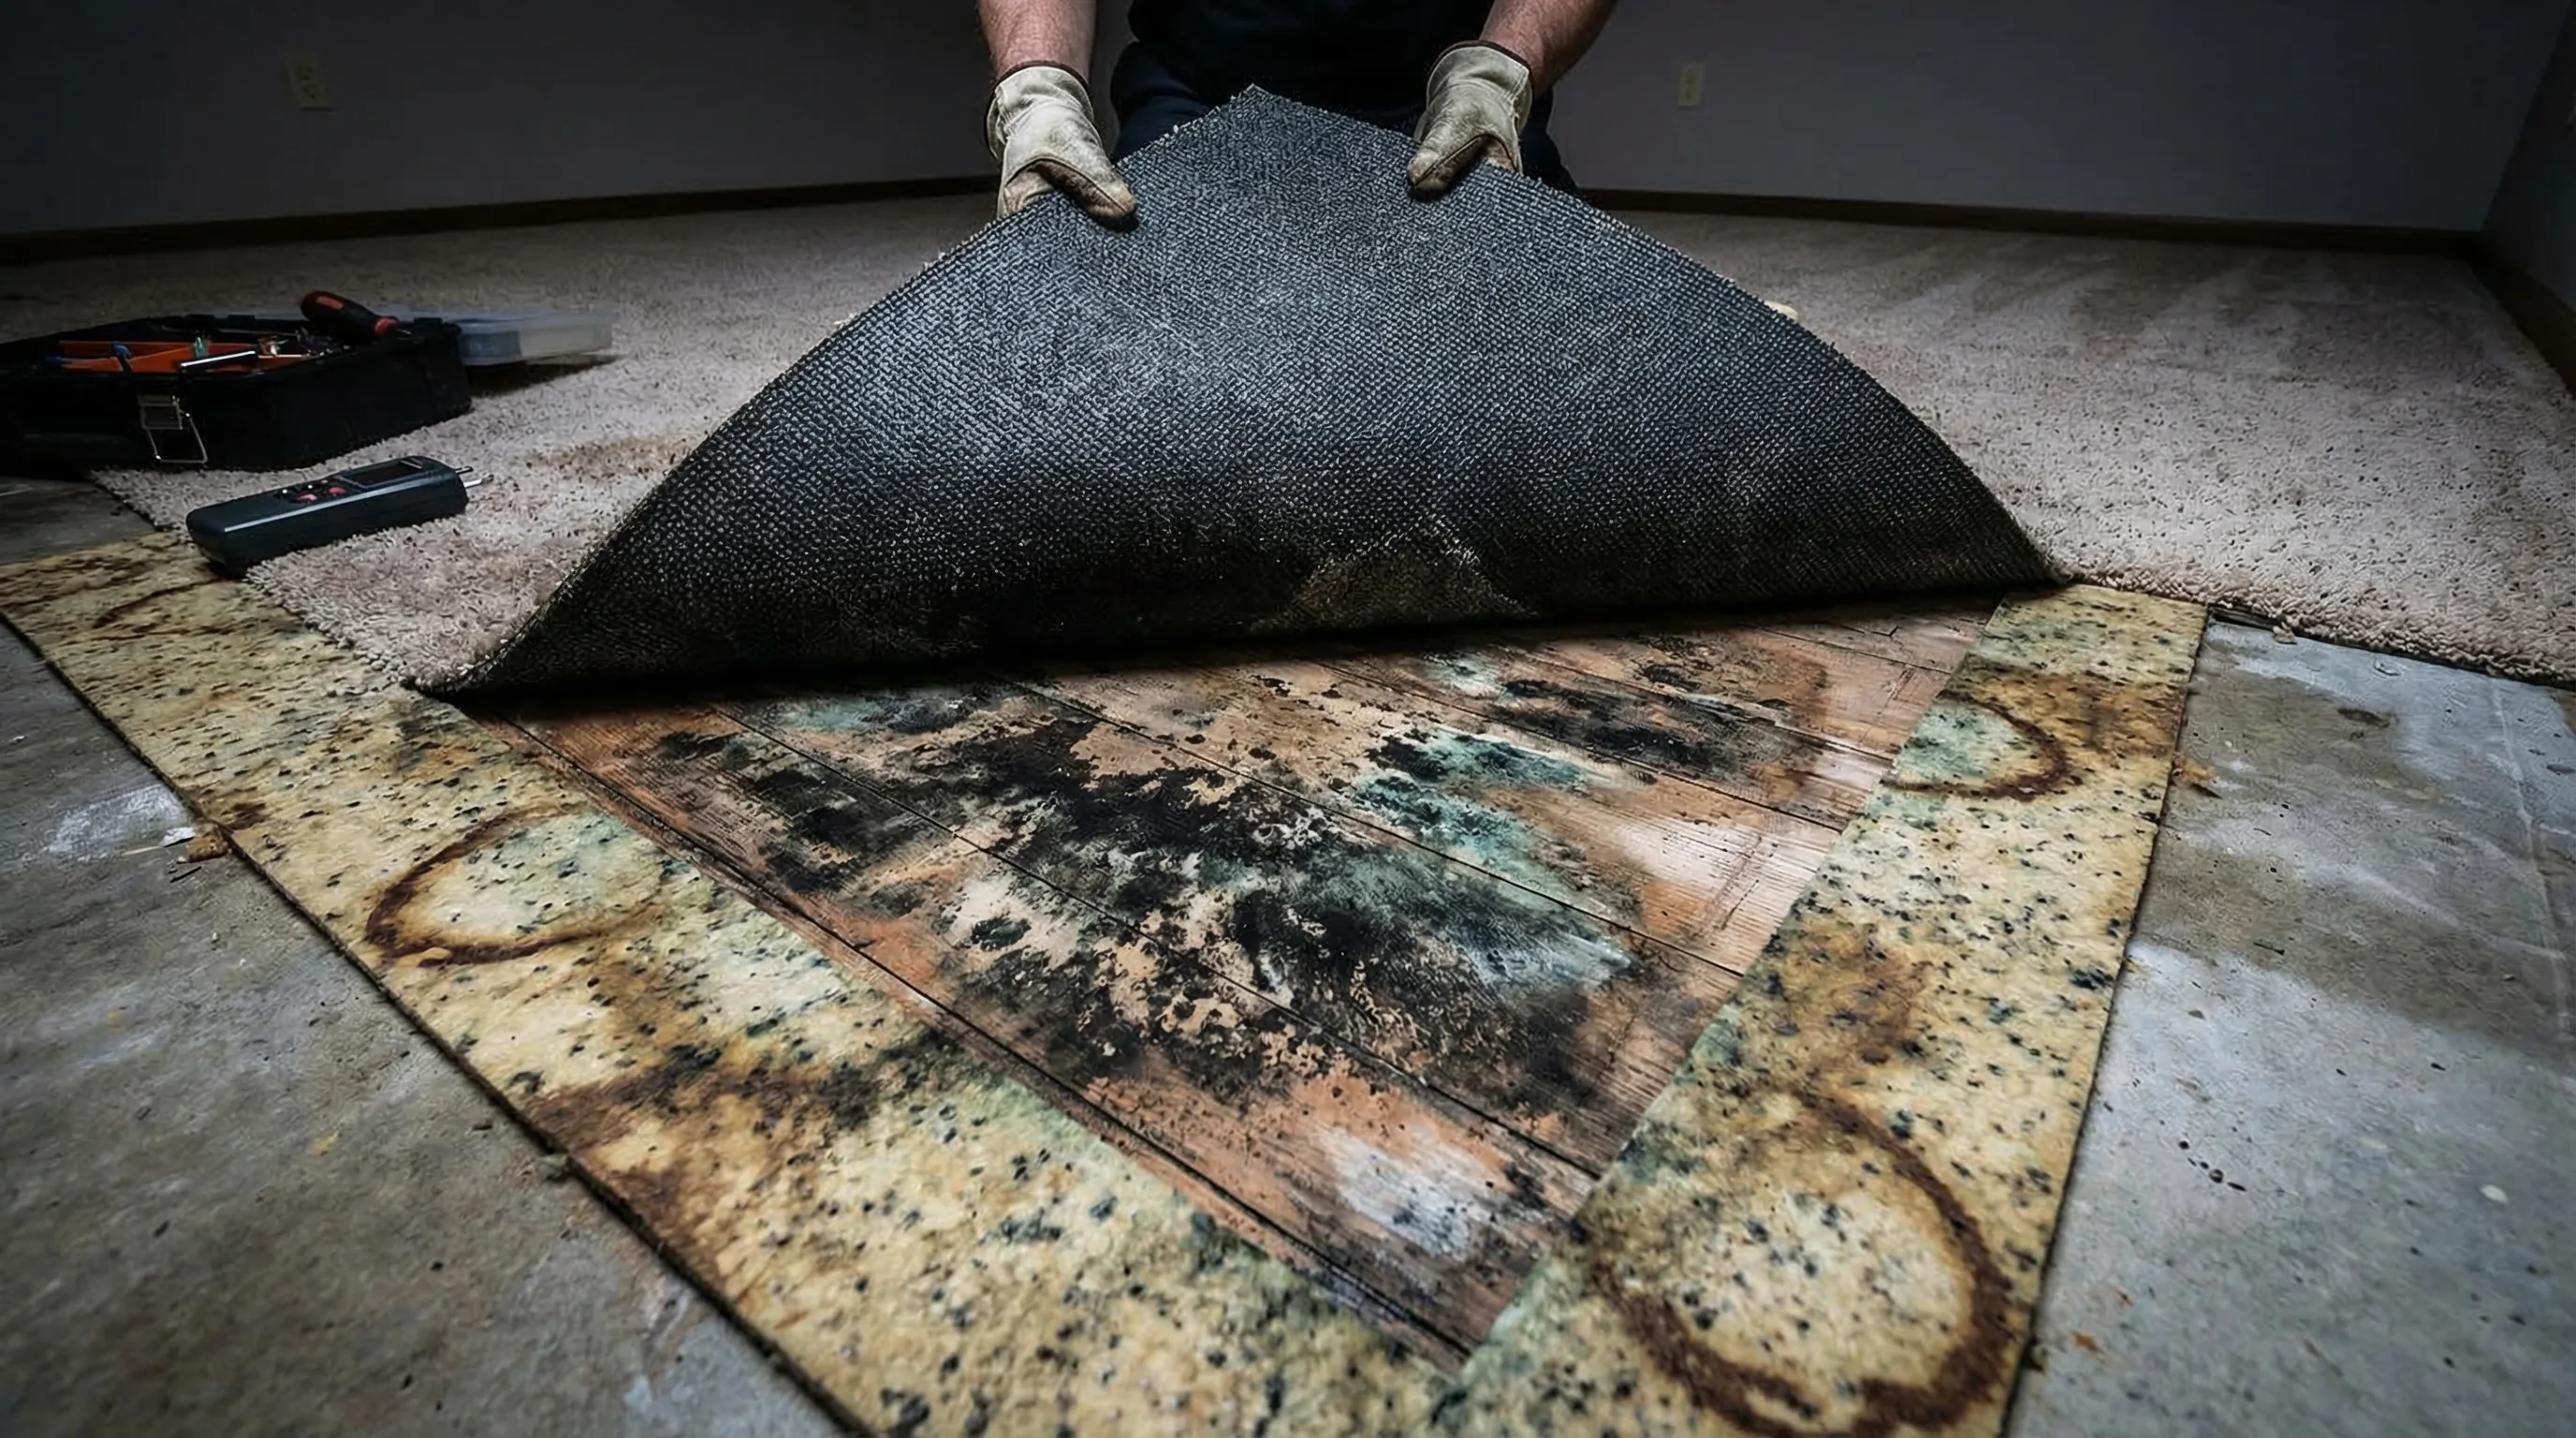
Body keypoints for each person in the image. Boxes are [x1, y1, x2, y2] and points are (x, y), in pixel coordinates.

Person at [978, 0, 1617, 225]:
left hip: (1443, 104)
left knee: (1550, 344)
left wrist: (1498, 75)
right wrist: (1038, 93)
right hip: (1199, 94)